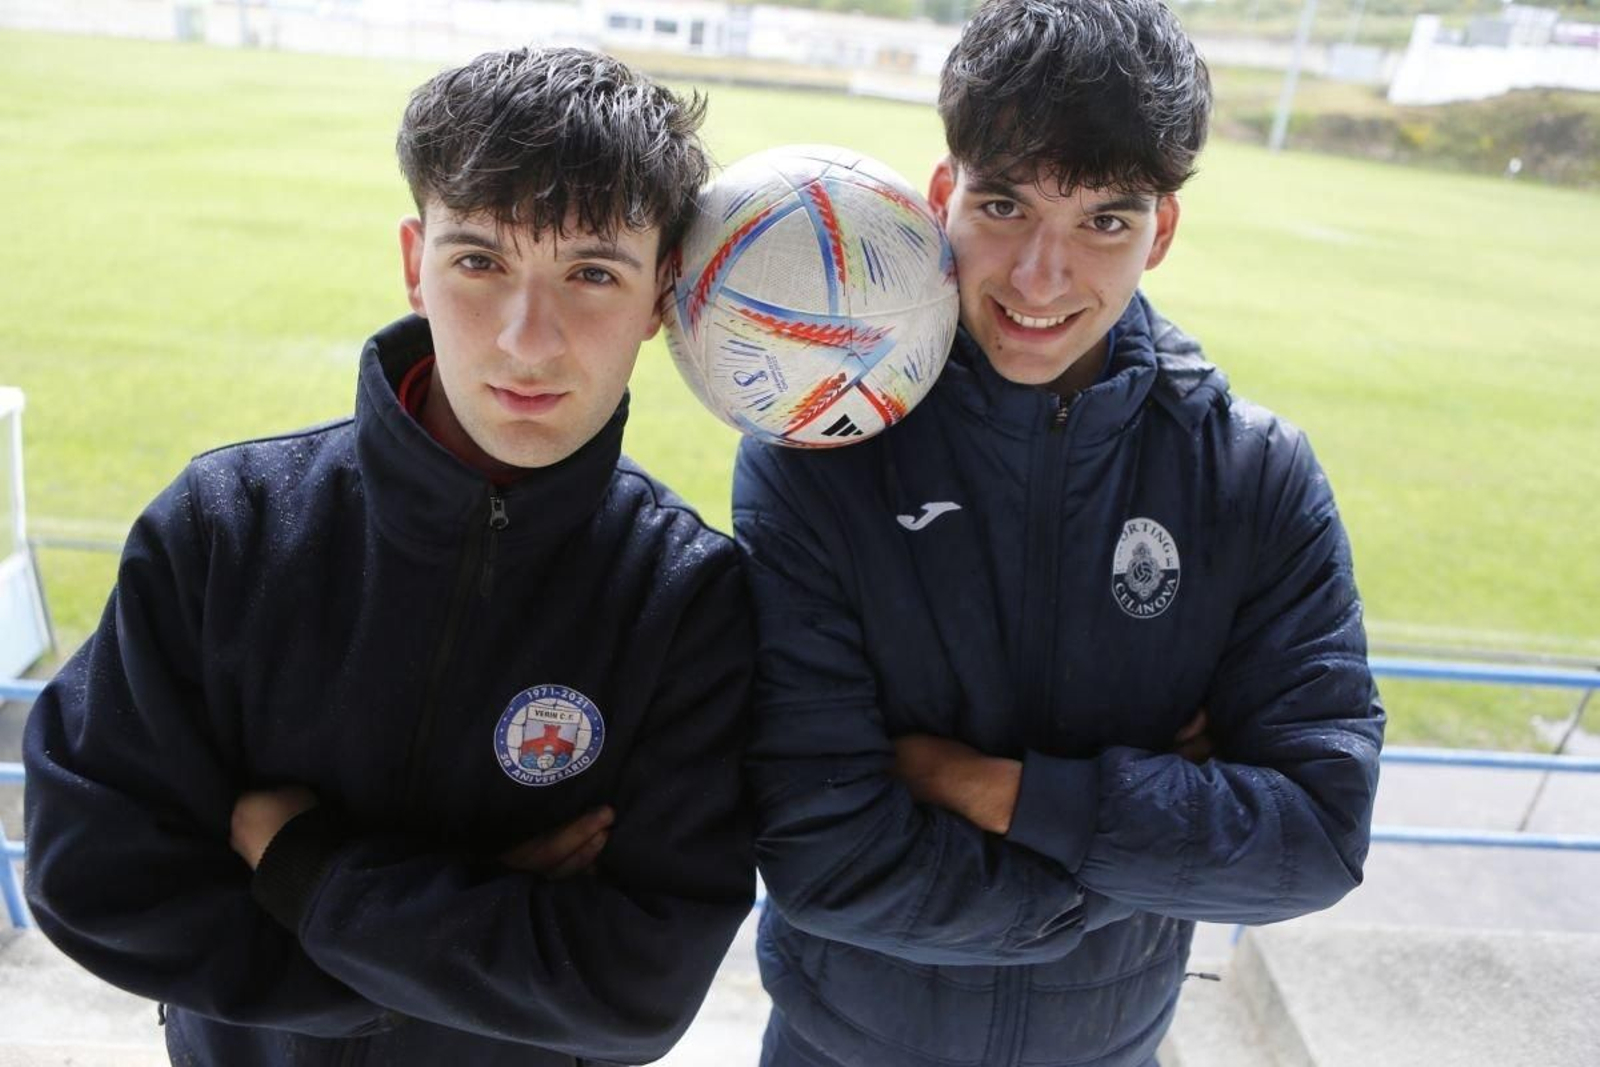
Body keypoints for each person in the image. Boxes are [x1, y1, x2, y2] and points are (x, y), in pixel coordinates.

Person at [25, 47, 753, 1067]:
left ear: (663, 292)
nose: (527, 339)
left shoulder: (681, 596)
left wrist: (305, 868)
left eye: (591, 272)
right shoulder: (226, 527)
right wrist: (449, 946)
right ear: (413, 261)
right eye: (478, 261)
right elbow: (91, 872)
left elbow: (635, 986)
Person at [733, 2, 1386, 1065]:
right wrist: (1120, 867)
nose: (1040, 277)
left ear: (1161, 230)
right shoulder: (820, 454)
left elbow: (1312, 838)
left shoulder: (1252, 475)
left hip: (1111, 1047)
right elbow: (822, 852)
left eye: (1103, 222)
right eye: (1004, 205)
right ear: (942, 194)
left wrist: (988, 787)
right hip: (837, 1043)